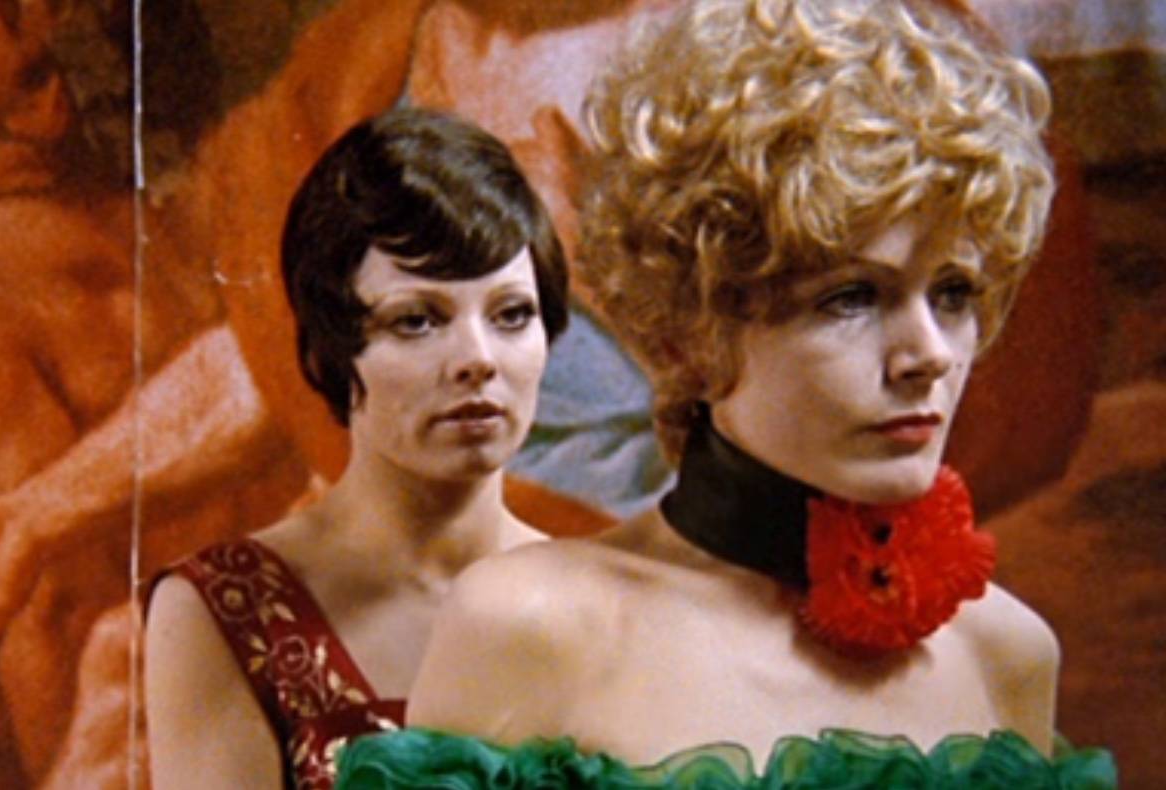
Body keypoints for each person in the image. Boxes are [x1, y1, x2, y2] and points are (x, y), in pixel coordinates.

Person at [336, 1, 1116, 786]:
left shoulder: (1005, 654)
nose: (929, 356)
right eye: (851, 297)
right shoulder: (536, 626)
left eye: (953, 293)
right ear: (693, 330)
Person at [144, 106, 570, 790]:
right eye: (417, 320)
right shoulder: (229, 611)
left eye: (512, 314)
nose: (479, 359)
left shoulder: (598, 601)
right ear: (332, 351)